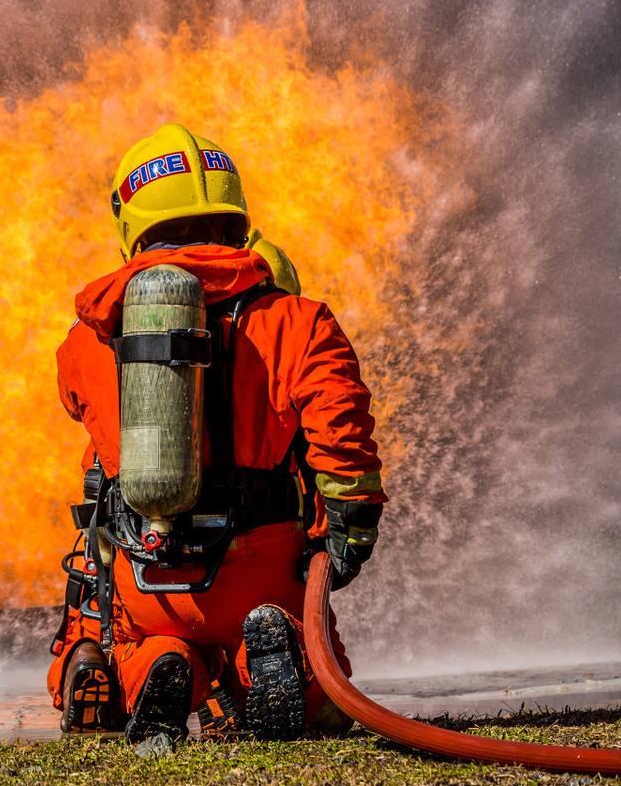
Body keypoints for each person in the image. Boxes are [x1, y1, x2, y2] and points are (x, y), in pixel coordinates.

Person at [47, 124, 387, 744]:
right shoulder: (299, 321)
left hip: (150, 577)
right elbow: (344, 436)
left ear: (133, 224)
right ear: (236, 216)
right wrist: (350, 530)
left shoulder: (85, 342)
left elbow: (91, 432)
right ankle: (272, 649)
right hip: (262, 568)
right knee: (321, 699)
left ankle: (160, 661)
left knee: (131, 638)